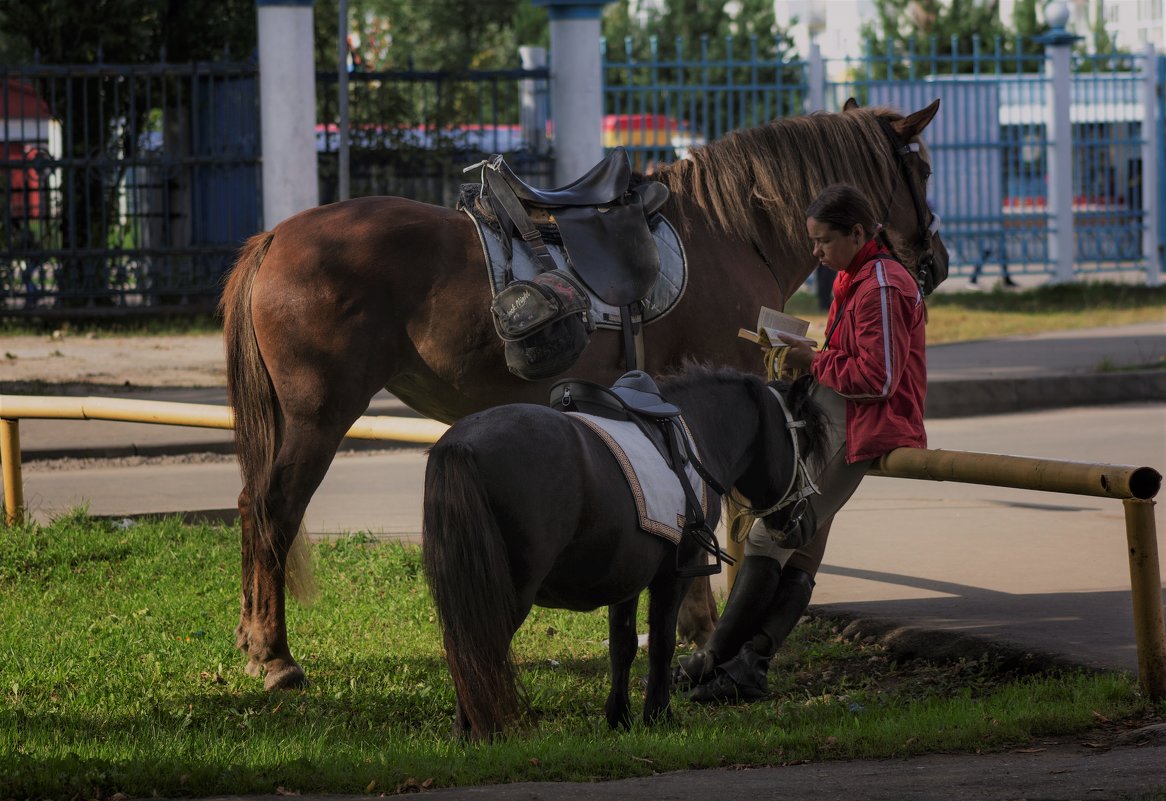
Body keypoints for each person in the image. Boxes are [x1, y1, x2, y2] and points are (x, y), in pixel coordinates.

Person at [678, 182, 929, 703]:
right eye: (812, 241)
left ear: (858, 233)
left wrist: (809, 360)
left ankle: (718, 659)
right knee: (800, 552)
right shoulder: (859, 275)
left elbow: (878, 380)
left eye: (822, 241)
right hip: (837, 412)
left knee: (775, 539)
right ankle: (743, 665)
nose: (814, 253)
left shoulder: (882, 286)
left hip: (863, 422)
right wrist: (812, 353)